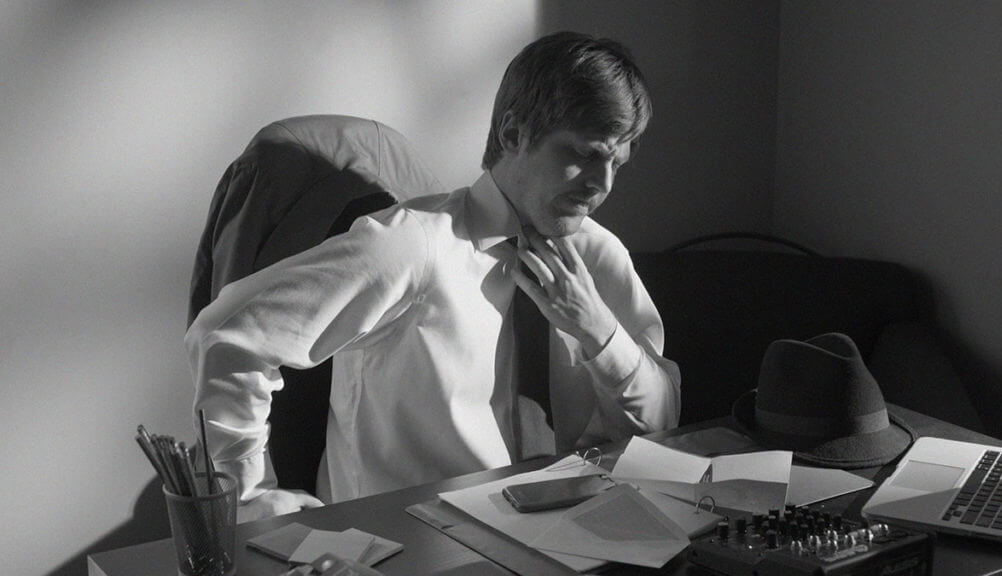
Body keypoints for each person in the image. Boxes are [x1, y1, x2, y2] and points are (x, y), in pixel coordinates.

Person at [186, 30, 681, 522]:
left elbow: (663, 420)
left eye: (618, 160)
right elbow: (227, 334)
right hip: (409, 546)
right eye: (584, 154)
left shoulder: (598, 256)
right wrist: (248, 500)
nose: (603, 184)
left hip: (565, 538)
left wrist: (600, 332)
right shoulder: (411, 246)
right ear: (513, 134)